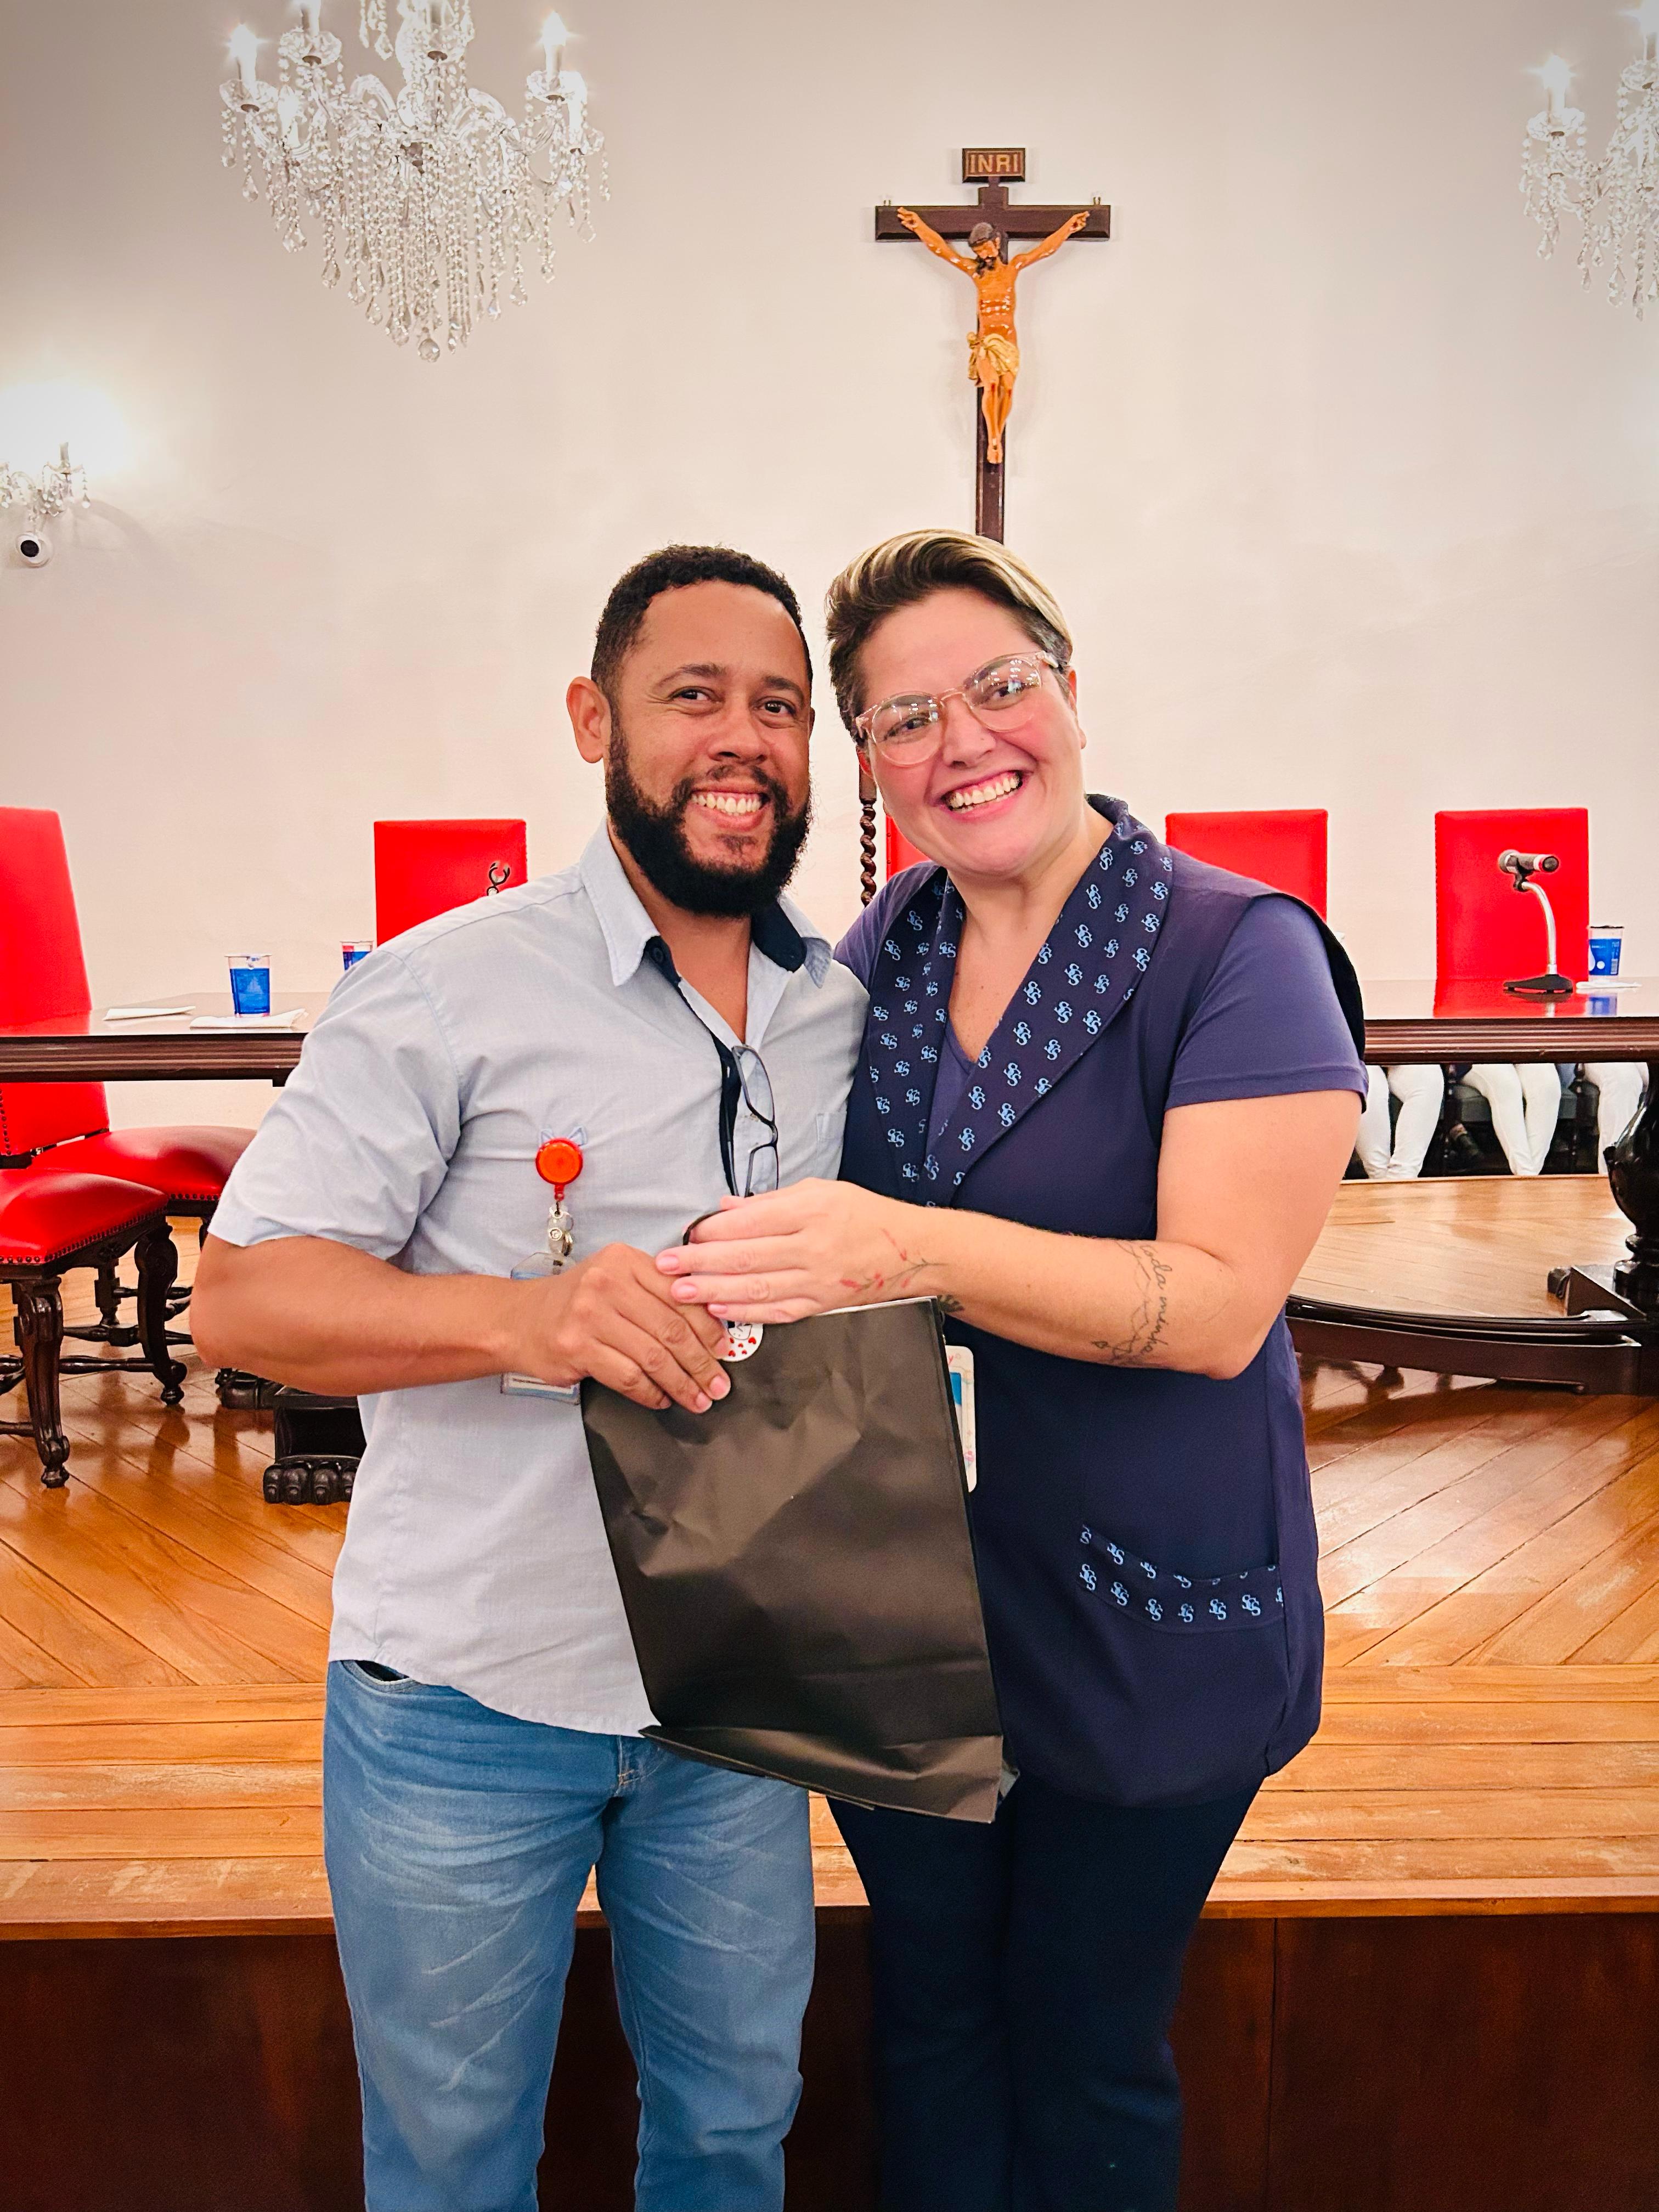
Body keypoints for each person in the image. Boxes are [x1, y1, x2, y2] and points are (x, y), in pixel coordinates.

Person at [657, 529, 1368, 2212]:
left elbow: (1216, 1307)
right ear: (867, 761)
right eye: (906, 719)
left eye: (997, 687)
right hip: (906, 1605)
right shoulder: (888, 944)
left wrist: (908, 1251)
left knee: (1085, 2043)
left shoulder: (1237, 950)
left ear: (1069, 687)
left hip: (1143, 1611)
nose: (962, 742)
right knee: (931, 2026)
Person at [191, 545, 867, 2212]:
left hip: (736, 1702)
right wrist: (525, 1321)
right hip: (469, 1698)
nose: (743, 738)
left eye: (779, 706)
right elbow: (242, 1299)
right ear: (594, 719)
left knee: (732, 2140)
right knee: (450, 2168)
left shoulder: (842, 1009)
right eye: (693, 695)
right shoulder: (444, 988)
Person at [1356, 1062, 1444, 1178]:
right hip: (1354, 1057)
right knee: (1366, 1080)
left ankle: (1403, 1176)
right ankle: (1380, 1177)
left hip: (1400, 1054)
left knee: (1429, 1075)